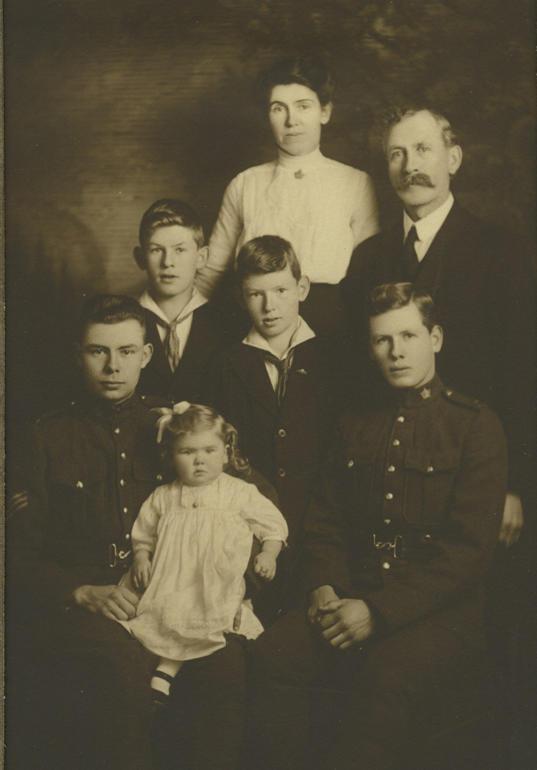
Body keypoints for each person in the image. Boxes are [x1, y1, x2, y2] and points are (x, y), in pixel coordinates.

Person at [250, 283, 507, 770]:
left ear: (436, 338)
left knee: (385, 674)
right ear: (370, 347)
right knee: (274, 655)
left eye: (408, 336)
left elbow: (467, 555)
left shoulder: (475, 425)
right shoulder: (355, 422)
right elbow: (325, 521)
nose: (396, 351)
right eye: (382, 340)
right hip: (351, 594)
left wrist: (377, 611)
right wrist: (324, 587)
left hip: (439, 613)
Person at [342, 105, 535, 547]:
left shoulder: (504, 252)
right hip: (388, 476)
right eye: (397, 154)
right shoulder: (368, 258)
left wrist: (515, 485)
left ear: (453, 159)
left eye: (423, 150)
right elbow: (355, 374)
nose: (410, 166)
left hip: (476, 474)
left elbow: (524, 375)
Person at [7, 294, 163, 770]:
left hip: (163, 595)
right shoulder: (44, 437)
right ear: (79, 354)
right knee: (121, 669)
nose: (113, 366)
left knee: (224, 669)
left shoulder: (172, 424)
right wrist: (78, 592)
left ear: (147, 355)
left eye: (127, 351)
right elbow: (15, 555)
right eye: (99, 351)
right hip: (85, 608)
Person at [208, 235, 345, 619]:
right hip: (251, 536)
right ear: (240, 297)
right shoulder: (226, 365)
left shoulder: (336, 359)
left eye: (281, 290)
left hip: (323, 529)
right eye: (256, 294)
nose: (270, 306)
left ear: (302, 288)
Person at [117, 401, 288, 705]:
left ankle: (168, 671)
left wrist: (269, 554)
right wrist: (142, 557)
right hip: (173, 577)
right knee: (165, 616)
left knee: (211, 618)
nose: (199, 461)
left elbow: (272, 525)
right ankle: (164, 668)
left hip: (215, 579)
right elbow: (143, 533)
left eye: (209, 450)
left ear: (225, 452)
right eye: (187, 452)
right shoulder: (163, 496)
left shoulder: (239, 492)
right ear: (171, 456)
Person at [199, 55, 379, 336]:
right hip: (253, 324)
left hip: (331, 329)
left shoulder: (355, 183)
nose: (291, 120)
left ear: (325, 112)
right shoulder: (245, 184)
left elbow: (370, 276)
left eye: (303, 106)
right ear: (267, 117)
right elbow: (210, 272)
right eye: (278, 109)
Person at [134, 198, 231, 402]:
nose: (168, 262)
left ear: (201, 257)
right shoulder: (124, 321)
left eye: (180, 250)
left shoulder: (227, 325)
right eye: (156, 250)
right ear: (140, 258)